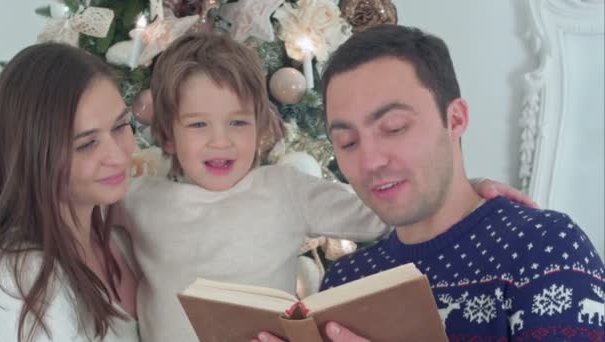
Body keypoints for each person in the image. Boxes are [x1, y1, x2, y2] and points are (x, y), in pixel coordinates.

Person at [117, 32, 532, 342]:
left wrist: (464, 188)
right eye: (198, 125)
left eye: (238, 122)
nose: (221, 141)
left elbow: (383, 211)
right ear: (168, 137)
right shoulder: (139, 199)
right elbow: (70, 214)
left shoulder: (284, 189)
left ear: (260, 128)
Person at [255, 24, 605, 342]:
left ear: (455, 119)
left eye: (394, 128)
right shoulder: (346, 282)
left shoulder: (544, 247)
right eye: (347, 142)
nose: (370, 161)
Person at [0, 43, 139, 342]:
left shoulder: (120, 236)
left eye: (120, 126)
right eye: (86, 144)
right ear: (32, 158)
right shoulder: (24, 281)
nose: (118, 155)